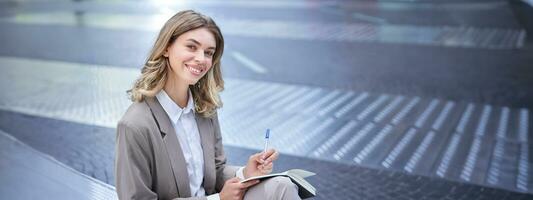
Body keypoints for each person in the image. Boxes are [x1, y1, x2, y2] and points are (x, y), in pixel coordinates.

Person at [115, 10, 301, 200]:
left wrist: (245, 173)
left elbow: (215, 173)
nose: (201, 59)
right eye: (191, 47)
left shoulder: (204, 109)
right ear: (166, 47)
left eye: (208, 52)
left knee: (283, 185)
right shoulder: (135, 126)